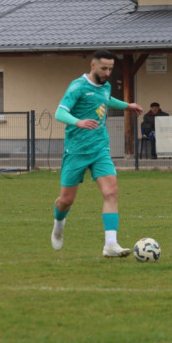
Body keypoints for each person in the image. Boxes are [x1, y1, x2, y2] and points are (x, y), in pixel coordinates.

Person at [50, 50, 144, 257]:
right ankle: (59, 223)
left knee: (111, 191)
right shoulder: (77, 87)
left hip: (100, 148)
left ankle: (110, 244)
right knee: (66, 200)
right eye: (104, 68)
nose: (108, 72)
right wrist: (78, 122)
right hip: (76, 150)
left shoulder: (105, 85)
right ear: (92, 66)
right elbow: (60, 112)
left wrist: (127, 105)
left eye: (111, 69)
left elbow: (106, 100)